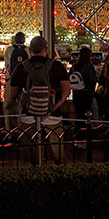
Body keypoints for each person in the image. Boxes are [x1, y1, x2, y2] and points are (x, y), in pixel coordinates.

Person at [10, 36, 70, 165]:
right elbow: (66, 91)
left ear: (30, 50)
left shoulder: (21, 68)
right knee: (57, 148)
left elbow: (13, 94)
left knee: (29, 151)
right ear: (46, 49)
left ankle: (33, 173)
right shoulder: (57, 66)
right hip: (52, 115)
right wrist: (54, 107)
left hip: (28, 114)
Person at [3, 32, 30, 130]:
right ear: (24, 40)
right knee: (22, 106)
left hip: (11, 81)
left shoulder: (9, 49)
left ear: (15, 39)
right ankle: (22, 128)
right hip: (25, 82)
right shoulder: (27, 50)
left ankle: (9, 129)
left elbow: (7, 64)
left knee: (8, 106)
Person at [69, 46, 97, 122]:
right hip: (86, 93)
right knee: (86, 113)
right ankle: (85, 130)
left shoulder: (74, 67)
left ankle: (78, 129)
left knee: (78, 112)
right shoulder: (89, 67)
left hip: (76, 93)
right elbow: (93, 80)